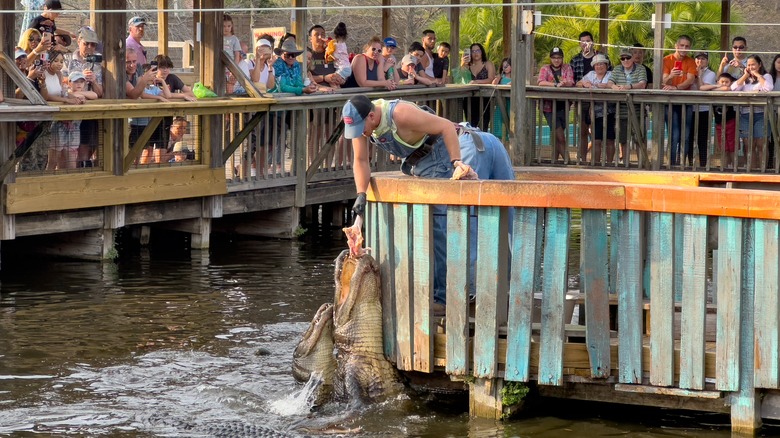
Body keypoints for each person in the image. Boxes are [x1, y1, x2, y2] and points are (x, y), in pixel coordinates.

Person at [342, 94, 514, 309]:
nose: (361, 134)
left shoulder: (400, 113)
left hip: (465, 145)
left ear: (371, 115)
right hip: (443, 154)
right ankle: (464, 294)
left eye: (361, 128)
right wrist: (361, 196)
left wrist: (457, 163)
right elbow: (360, 160)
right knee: (448, 226)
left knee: (463, 225)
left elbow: (445, 127)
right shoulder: (363, 122)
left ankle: (466, 296)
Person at [37, 50, 85, 171]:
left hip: (64, 116)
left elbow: (62, 91)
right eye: (56, 61)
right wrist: (66, 100)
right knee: (53, 159)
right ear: (49, 61)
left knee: (71, 157)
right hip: (52, 118)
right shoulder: (43, 74)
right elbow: (46, 96)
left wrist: (72, 97)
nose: (59, 64)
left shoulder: (59, 74)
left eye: (61, 61)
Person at [64, 27, 104, 168]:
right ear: (79, 41)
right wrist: (78, 77)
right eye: (86, 43)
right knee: (63, 151)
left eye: (93, 44)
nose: (89, 47)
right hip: (69, 111)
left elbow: (99, 93)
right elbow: (61, 83)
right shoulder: (67, 59)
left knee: (85, 146)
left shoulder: (97, 63)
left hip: (88, 112)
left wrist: (93, 81)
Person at [570, 31, 610, 161]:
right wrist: (582, 84)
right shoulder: (575, 59)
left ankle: (597, 160)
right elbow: (574, 80)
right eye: (583, 41)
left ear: (592, 41)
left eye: (588, 40)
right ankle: (582, 158)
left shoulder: (602, 57)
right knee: (582, 130)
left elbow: (612, 77)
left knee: (597, 131)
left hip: (601, 102)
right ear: (580, 43)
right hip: (582, 100)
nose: (585, 43)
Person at [731, 54, 772, 170]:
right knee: (748, 144)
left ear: (759, 65)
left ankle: (762, 170)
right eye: (748, 65)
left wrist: (758, 75)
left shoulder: (766, 76)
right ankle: (751, 169)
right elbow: (734, 88)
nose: (751, 67)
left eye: (753, 64)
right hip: (745, 114)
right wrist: (745, 75)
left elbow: (768, 88)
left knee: (761, 143)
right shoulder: (745, 78)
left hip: (762, 114)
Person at [662, 35, 697, 166]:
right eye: (681, 45)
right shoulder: (666, 60)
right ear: (676, 46)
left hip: (685, 100)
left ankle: (681, 162)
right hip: (669, 101)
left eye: (686, 46)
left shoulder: (690, 61)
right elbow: (664, 80)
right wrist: (671, 75)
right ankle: (671, 163)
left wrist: (676, 87)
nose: (684, 48)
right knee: (674, 134)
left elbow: (690, 79)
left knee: (686, 135)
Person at [608, 48, 647, 164]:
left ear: (632, 58)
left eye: (628, 58)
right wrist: (615, 87)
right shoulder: (616, 69)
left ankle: (642, 164)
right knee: (623, 140)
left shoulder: (641, 68)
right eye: (622, 58)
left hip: (637, 110)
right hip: (621, 110)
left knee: (640, 139)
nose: (625, 60)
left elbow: (642, 84)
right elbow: (610, 82)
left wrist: (628, 87)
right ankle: (625, 164)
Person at [537, 47, 574, 163]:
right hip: (549, 107)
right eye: (554, 58)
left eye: (558, 58)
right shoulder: (545, 68)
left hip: (563, 106)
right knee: (560, 137)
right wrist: (554, 85)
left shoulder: (567, 67)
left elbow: (571, 81)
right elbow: (540, 82)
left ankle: (555, 161)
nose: (556, 60)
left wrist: (564, 83)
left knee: (557, 137)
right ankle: (568, 162)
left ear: (562, 58)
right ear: (550, 59)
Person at [577, 54, 614, 164]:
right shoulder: (590, 74)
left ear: (606, 65)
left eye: (602, 64)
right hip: (595, 111)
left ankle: (610, 163)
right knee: (596, 140)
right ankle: (596, 163)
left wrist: (608, 86)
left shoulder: (611, 75)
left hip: (610, 110)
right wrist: (584, 83)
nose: (599, 66)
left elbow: (617, 85)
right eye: (597, 64)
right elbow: (578, 83)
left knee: (610, 139)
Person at [700, 73, 737, 169]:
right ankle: (724, 167)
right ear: (717, 82)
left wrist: (714, 89)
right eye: (722, 81)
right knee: (723, 146)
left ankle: (734, 166)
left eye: (727, 82)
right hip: (719, 123)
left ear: (731, 83)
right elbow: (701, 88)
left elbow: (726, 89)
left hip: (731, 121)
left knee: (732, 145)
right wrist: (716, 86)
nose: (724, 84)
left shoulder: (730, 90)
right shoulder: (715, 89)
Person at [460, 42, 495, 130]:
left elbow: (491, 79)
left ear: (482, 52)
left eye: (478, 50)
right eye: (473, 51)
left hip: (485, 97)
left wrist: (476, 82)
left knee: (483, 123)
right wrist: (462, 64)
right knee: (470, 124)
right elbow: (461, 79)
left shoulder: (487, 64)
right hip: (469, 98)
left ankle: (482, 142)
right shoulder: (468, 65)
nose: (476, 53)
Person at [691, 52, 717, 167]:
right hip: (690, 109)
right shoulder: (690, 71)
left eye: (703, 59)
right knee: (689, 138)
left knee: (702, 139)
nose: (700, 61)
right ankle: (689, 163)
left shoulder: (711, 74)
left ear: (707, 61)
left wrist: (699, 75)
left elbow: (702, 88)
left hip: (704, 109)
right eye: (698, 58)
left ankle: (703, 165)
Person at [325, 22, 351, 87]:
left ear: (335, 35)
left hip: (343, 68)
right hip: (345, 68)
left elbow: (335, 57)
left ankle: (336, 95)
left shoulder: (337, 46)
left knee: (332, 80)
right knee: (337, 82)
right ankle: (339, 94)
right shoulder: (343, 44)